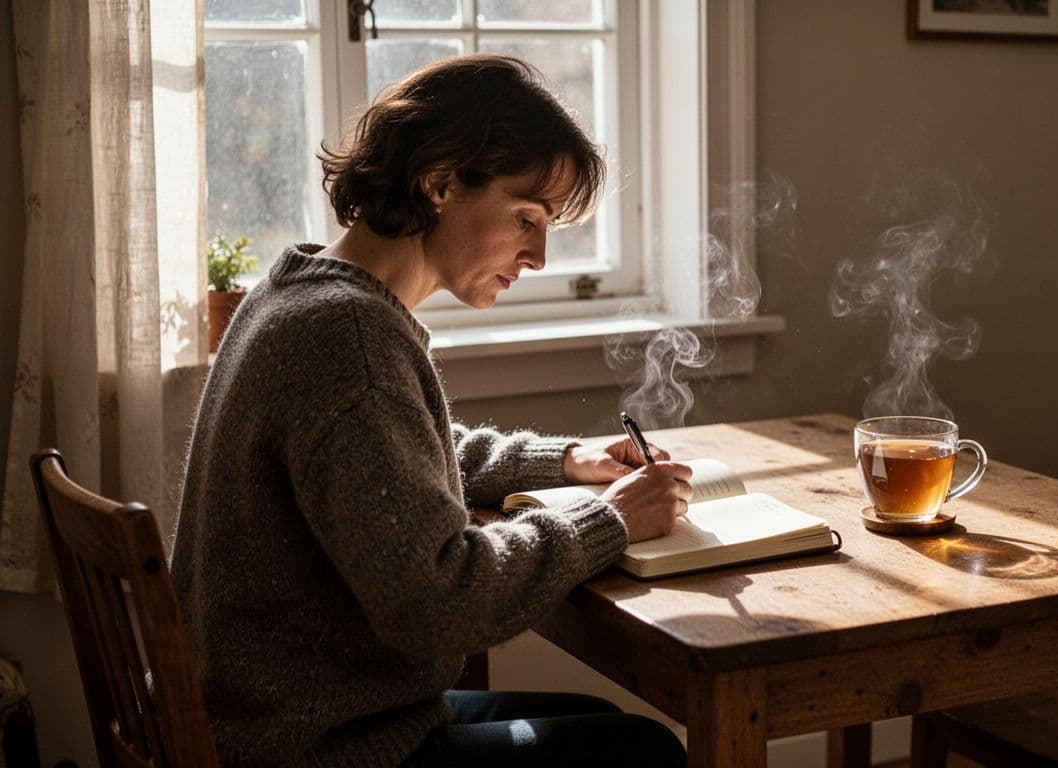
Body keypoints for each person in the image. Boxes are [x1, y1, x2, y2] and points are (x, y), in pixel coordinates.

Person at [170, 54, 692, 768]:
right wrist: (611, 519)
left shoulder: (297, 292)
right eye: (526, 218)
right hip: (317, 748)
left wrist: (566, 461)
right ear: (440, 182)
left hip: (278, 719)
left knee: (597, 721)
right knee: (637, 750)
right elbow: (441, 601)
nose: (538, 254)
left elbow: (394, 452)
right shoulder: (346, 336)